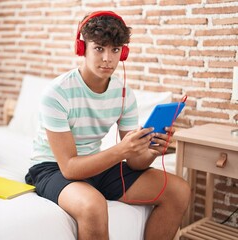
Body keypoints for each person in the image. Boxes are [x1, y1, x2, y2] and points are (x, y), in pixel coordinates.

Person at [25, 11, 190, 240]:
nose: (107, 59)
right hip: (52, 168)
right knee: (93, 206)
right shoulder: (57, 93)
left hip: (96, 165)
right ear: (82, 49)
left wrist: (150, 151)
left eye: (115, 50)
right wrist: (122, 150)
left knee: (179, 191)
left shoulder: (124, 94)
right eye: (99, 48)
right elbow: (70, 169)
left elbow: (134, 162)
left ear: (123, 52)